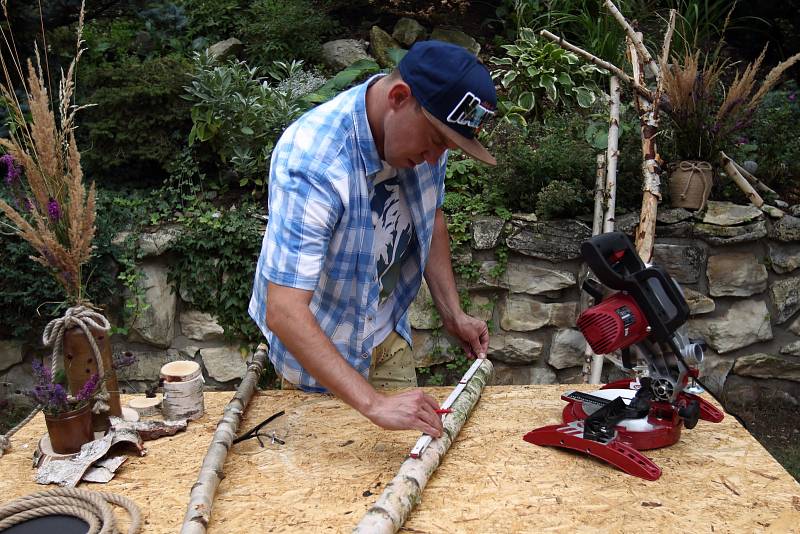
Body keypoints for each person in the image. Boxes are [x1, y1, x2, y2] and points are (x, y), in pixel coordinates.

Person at [249, 40, 496, 439]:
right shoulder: (313, 161)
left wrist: (453, 313)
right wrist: (374, 403)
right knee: (327, 491)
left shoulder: (428, 132)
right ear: (399, 97)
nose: (436, 158)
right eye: (436, 143)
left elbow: (430, 216)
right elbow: (284, 311)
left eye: (447, 147)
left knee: (409, 465)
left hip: (387, 334)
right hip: (320, 358)